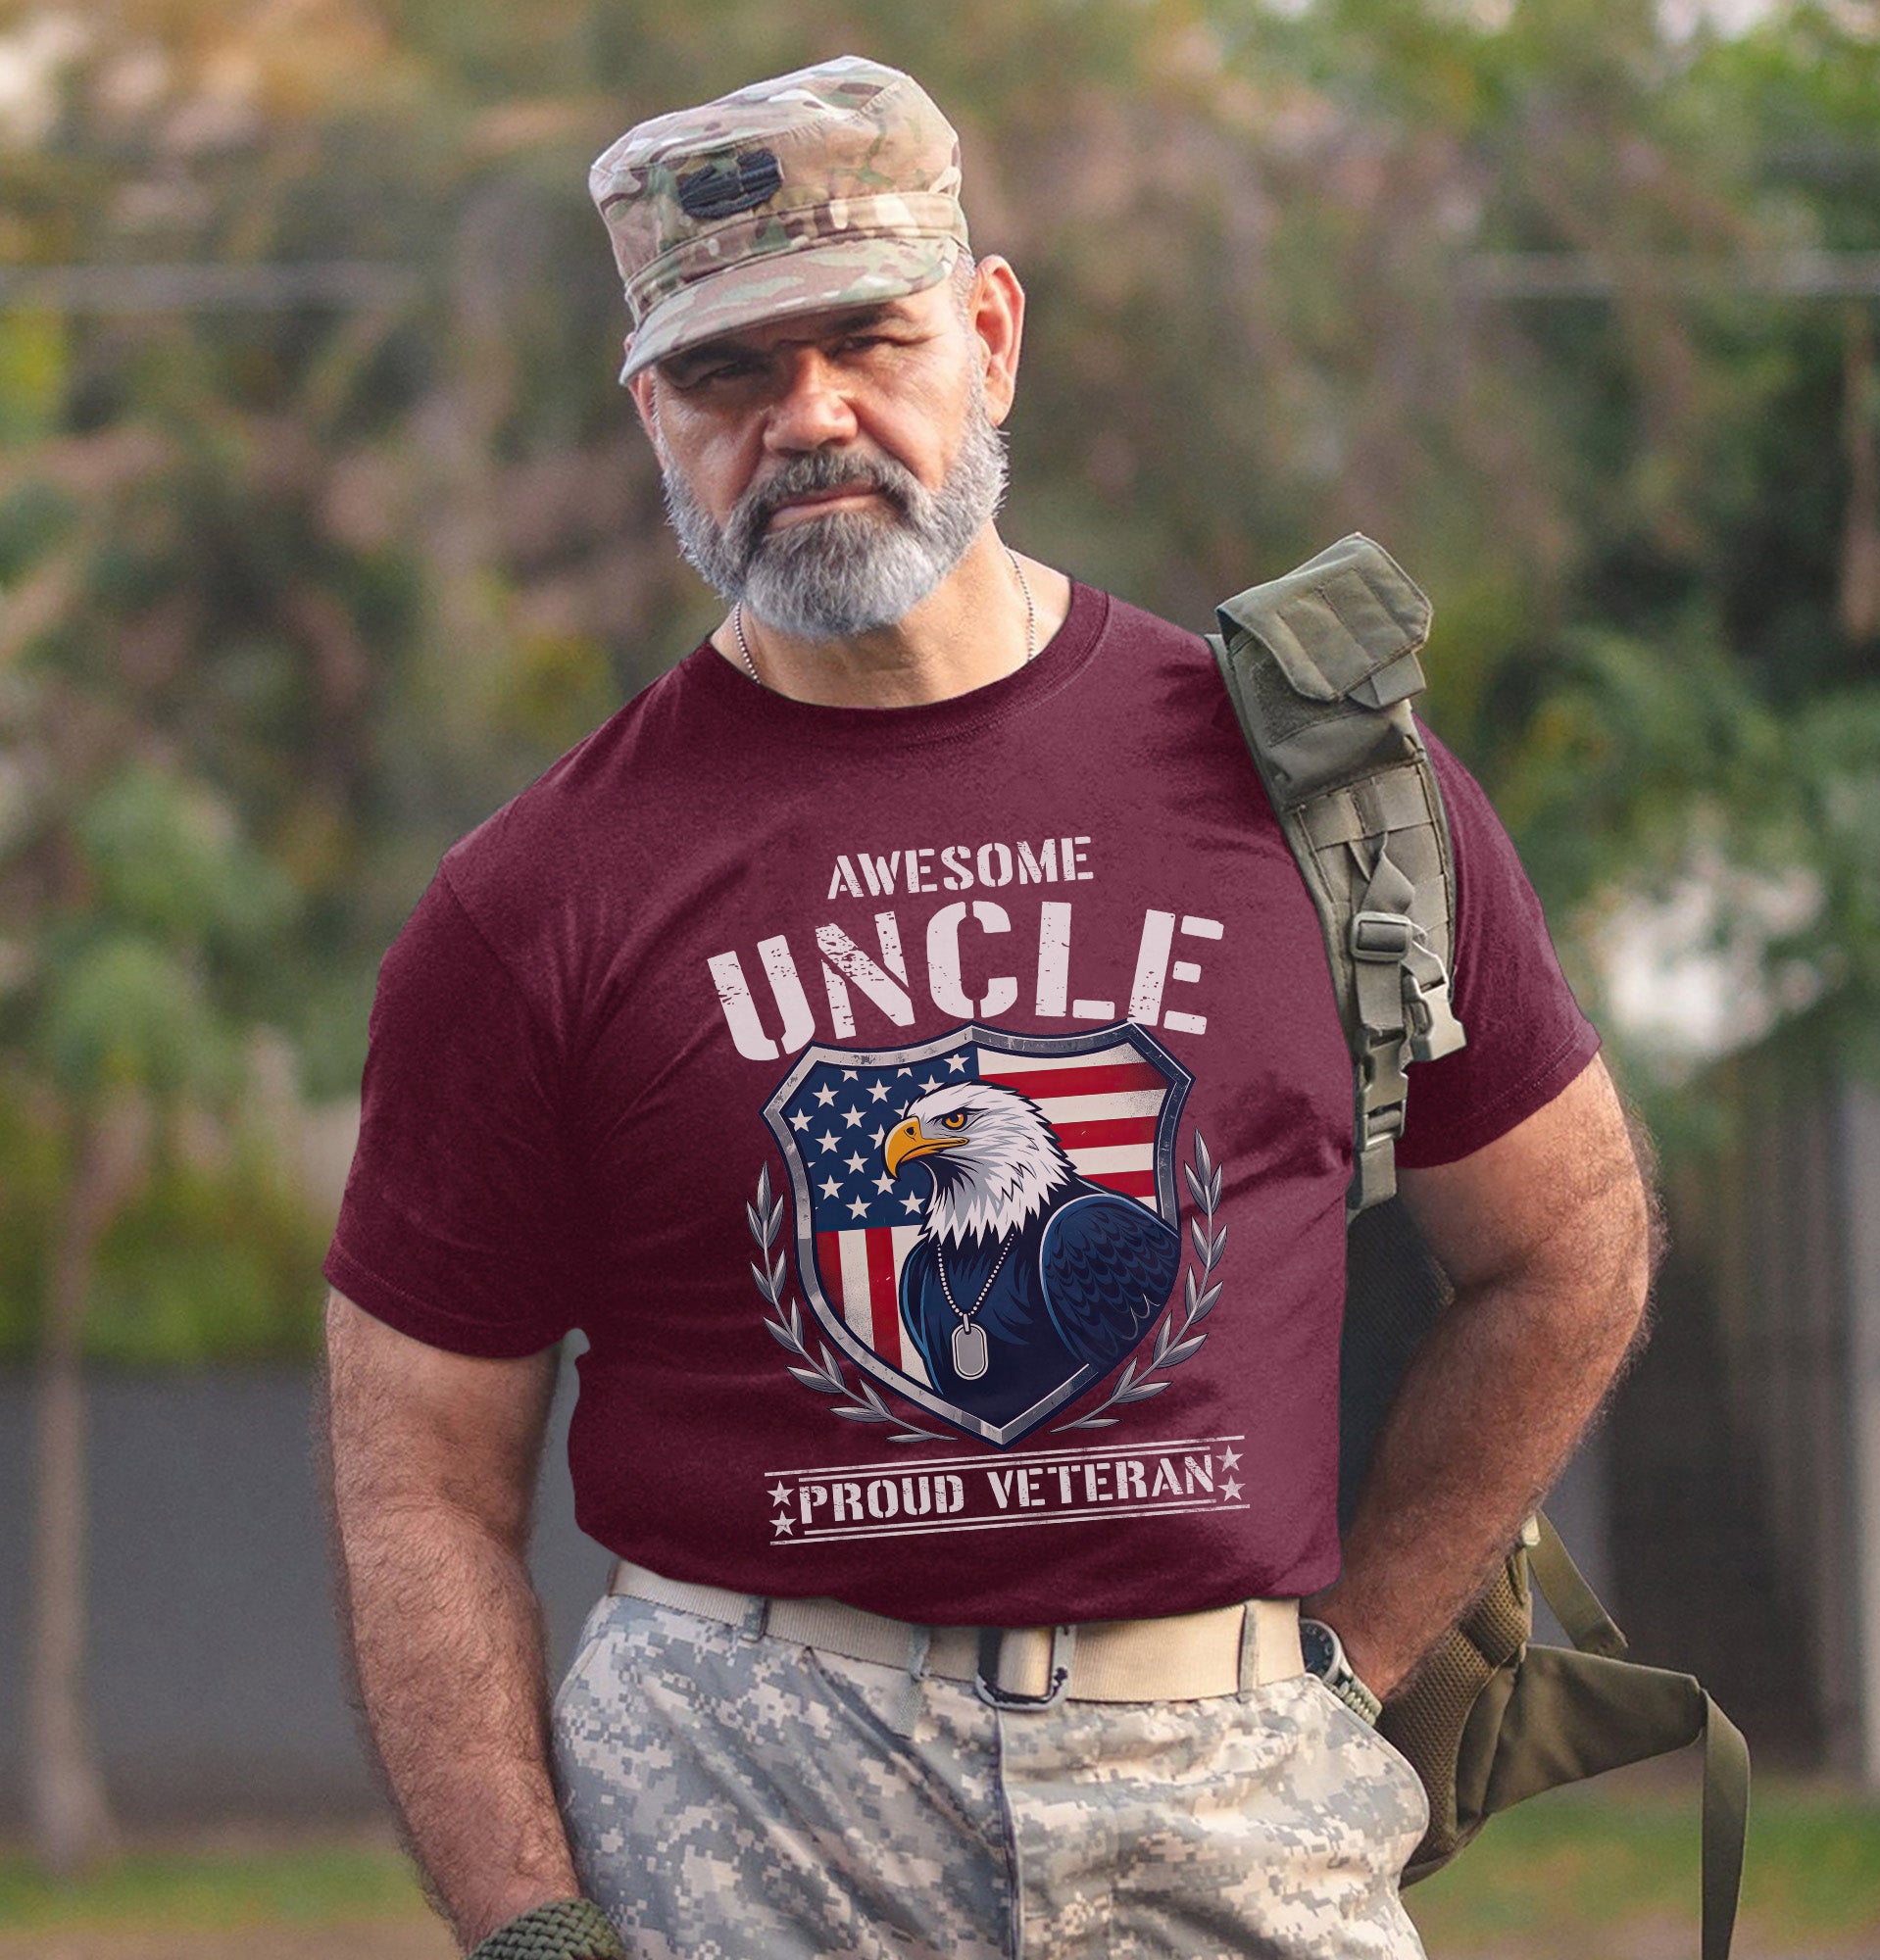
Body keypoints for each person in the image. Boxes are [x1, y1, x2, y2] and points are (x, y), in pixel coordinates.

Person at [320, 54, 1653, 1960]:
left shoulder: (1325, 797)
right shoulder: (534, 900)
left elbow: (1569, 1240)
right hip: (736, 1814)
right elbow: (419, 1482)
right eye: (727, 373)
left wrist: (1340, 1670)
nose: (811, 416)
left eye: (869, 335)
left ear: (992, 333)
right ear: (650, 413)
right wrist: (529, 1917)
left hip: (1227, 1800)